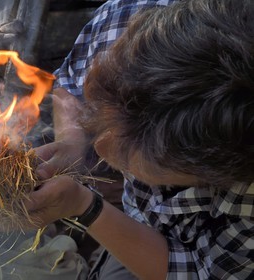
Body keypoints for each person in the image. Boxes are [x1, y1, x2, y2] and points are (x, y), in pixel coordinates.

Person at [26, 0, 254, 279]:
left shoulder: (247, 197)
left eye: (128, 156)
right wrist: (73, 141)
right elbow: (70, 81)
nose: (99, 149)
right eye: (103, 115)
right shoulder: (124, 19)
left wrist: (87, 208)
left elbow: (197, 270)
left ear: (208, 175)